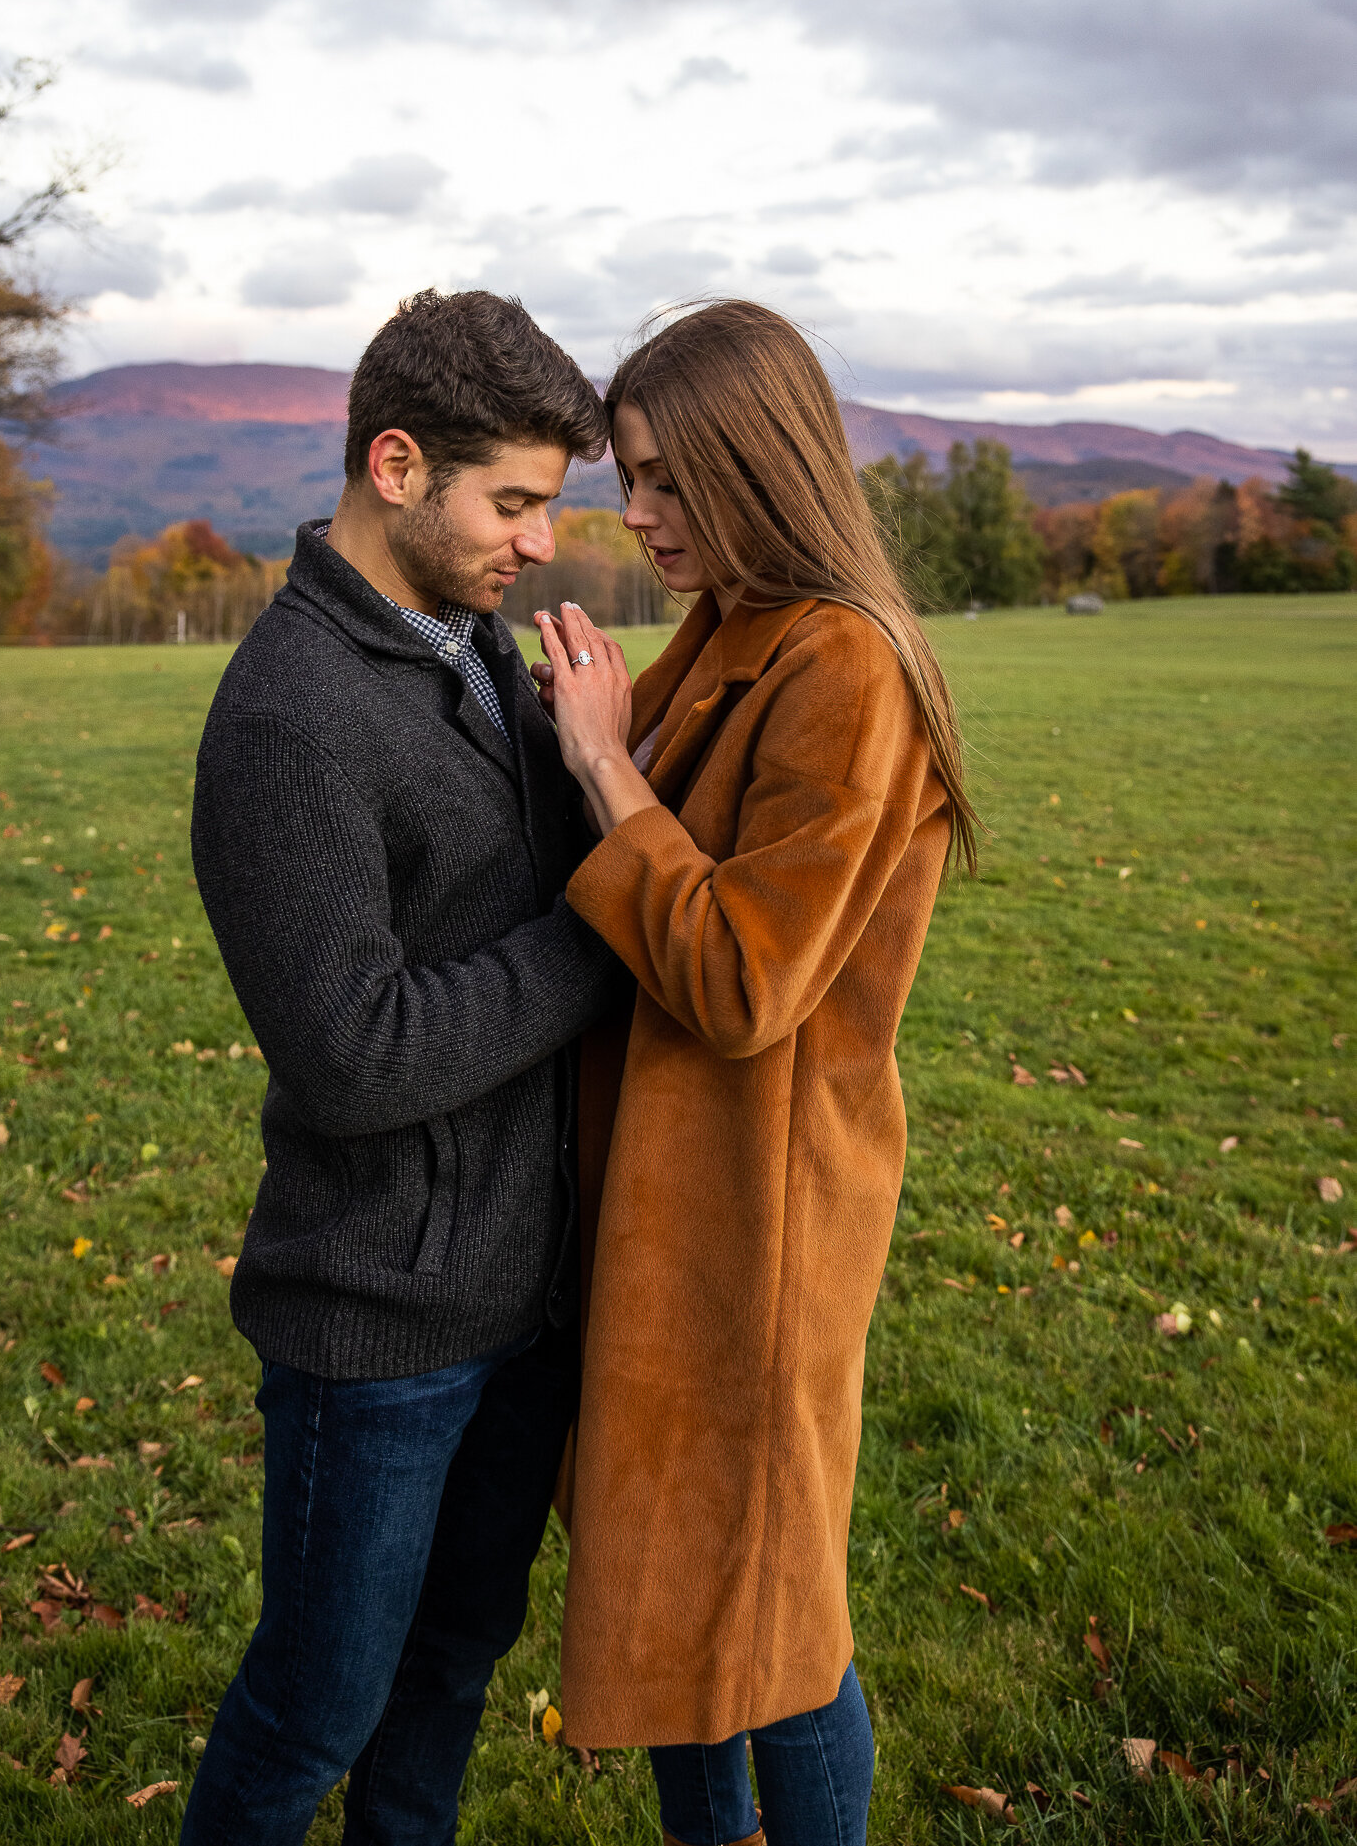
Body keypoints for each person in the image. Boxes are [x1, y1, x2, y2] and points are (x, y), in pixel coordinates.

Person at [183, 287, 626, 1846]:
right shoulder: (289, 717)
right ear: (393, 465)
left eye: (548, 504)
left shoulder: (483, 653)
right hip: (376, 1331)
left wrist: (604, 762)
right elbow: (356, 1053)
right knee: (313, 1711)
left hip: (526, 1303)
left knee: (449, 1676)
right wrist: (605, 932)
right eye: (512, 501)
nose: (540, 540)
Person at [532, 299, 977, 1846]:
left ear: (754, 462)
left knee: (775, 1610)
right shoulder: (738, 621)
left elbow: (741, 976)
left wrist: (605, 762)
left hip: (768, 1208)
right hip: (676, 1188)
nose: (636, 513)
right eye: (627, 477)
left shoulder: (845, 664)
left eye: (663, 479)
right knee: (672, 1588)